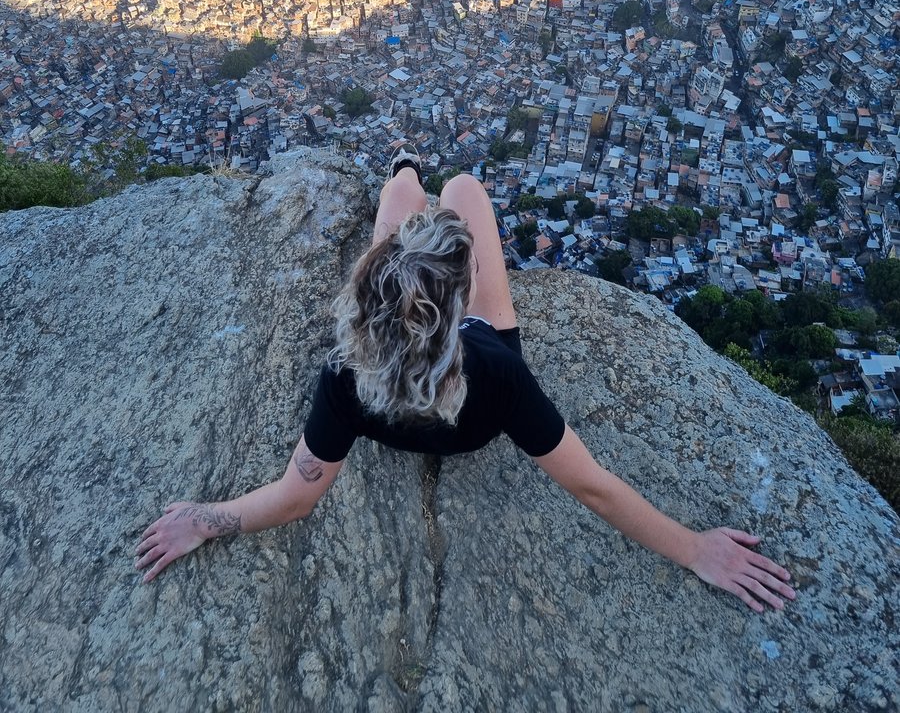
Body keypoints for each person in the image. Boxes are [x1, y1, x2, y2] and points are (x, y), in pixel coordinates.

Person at [136, 147, 796, 615]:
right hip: (465, 410)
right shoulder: (497, 373)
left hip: (403, 363)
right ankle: (428, 189)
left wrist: (205, 519)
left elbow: (294, 497)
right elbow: (594, 487)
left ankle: (402, 171)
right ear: (462, 304)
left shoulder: (345, 373)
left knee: (400, 198)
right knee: (465, 192)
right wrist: (694, 549)